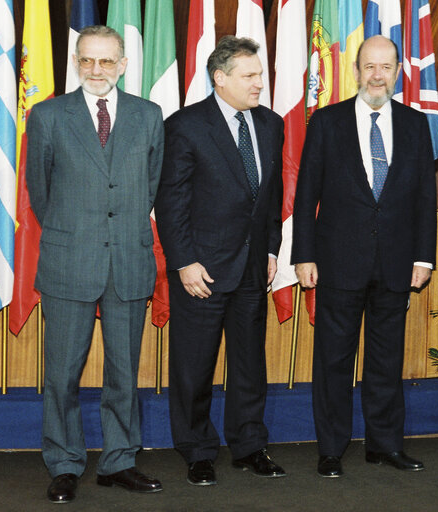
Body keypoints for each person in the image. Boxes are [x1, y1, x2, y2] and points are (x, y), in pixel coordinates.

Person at [26, 25, 164, 503]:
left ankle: (119, 461)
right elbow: (40, 194)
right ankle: (64, 463)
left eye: (106, 61)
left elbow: (151, 186)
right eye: (87, 60)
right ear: (76, 62)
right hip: (69, 261)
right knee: (62, 374)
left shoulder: (149, 116)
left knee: (124, 372)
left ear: (123, 65)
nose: (96, 70)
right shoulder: (46, 116)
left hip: (128, 260)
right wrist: (76, 232)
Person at [292, 35, 437, 478]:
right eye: (369, 66)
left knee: (386, 360)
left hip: (396, 264)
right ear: (356, 70)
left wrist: (424, 258)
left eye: (386, 67)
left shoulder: (415, 125)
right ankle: (331, 449)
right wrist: (303, 254)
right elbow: (305, 195)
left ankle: (385, 445)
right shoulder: (327, 122)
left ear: (398, 72)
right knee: (333, 359)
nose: (377, 75)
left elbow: (423, 200)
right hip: (338, 262)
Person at [154, 36, 285, 486]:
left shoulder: (271, 124)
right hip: (202, 271)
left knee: (250, 364)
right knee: (194, 365)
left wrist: (271, 249)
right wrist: (184, 262)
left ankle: (249, 446)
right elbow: (172, 203)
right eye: (249, 76)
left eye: (260, 75)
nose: (259, 84)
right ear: (220, 78)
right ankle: (197, 450)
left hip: (252, 268)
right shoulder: (186, 126)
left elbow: (270, 199)